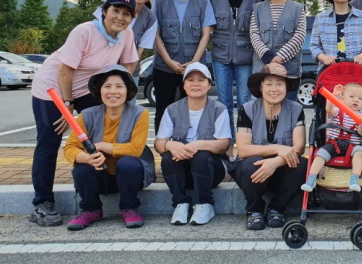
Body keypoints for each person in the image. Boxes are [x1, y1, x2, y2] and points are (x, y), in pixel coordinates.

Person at [29, 0, 139, 227]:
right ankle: (42, 203)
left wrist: (121, 87)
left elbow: (129, 63)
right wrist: (67, 106)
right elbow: (65, 71)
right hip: (54, 89)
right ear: (104, 11)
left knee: (97, 135)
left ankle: (99, 188)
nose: (120, 17)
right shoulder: (84, 31)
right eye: (115, 11)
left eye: (126, 14)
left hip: (88, 89)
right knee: (49, 141)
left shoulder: (126, 33)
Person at [63, 65, 155, 230]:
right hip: (100, 177)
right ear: (99, 90)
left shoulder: (140, 113)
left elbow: (135, 149)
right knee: (82, 167)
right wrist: (86, 157)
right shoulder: (87, 115)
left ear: (128, 90)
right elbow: (70, 148)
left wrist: (102, 146)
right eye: (107, 86)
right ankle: (91, 209)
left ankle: (130, 207)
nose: (113, 91)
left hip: (129, 177)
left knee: (128, 162)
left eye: (119, 86)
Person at [229, 63, 307, 230]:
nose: (274, 89)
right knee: (252, 163)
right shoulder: (248, 109)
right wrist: (277, 149)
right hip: (251, 172)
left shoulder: (296, 109)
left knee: (304, 165)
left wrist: (276, 162)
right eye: (269, 83)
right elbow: (243, 149)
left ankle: (276, 209)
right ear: (261, 86)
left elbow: (298, 147)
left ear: (287, 87)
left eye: (279, 84)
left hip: (281, 169)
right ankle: (254, 211)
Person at [154, 63, 230, 226]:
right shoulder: (172, 109)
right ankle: (180, 204)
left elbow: (224, 144)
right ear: (184, 85)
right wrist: (170, 146)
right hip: (182, 172)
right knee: (169, 157)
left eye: (201, 80)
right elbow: (159, 143)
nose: (196, 84)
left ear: (209, 85)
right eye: (190, 80)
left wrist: (199, 144)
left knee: (201, 156)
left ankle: (205, 204)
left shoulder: (219, 109)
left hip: (210, 171)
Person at [153, 0, 216, 129]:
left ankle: (189, 145)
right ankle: (163, 147)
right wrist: (168, 61)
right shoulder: (159, 2)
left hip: (194, 68)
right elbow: (155, 34)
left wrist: (195, 62)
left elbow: (206, 35)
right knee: (163, 108)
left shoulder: (203, 3)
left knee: (193, 108)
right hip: (164, 67)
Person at [208, 0, 263, 144]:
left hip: (246, 58)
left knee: (245, 103)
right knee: (223, 103)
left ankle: (244, 143)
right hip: (220, 57)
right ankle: (227, 143)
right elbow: (207, 28)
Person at [250, 0, 306, 101]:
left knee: (289, 111)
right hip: (262, 71)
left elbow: (299, 37)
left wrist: (278, 60)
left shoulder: (298, 9)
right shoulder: (257, 9)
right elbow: (254, 34)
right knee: (262, 112)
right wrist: (269, 58)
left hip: (289, 73)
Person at [93, 0, 158, 84]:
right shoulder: (110, 4)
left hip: (129, 72)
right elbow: (95, 35)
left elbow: (138, 51)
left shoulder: (151, 19)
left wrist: (127, 77)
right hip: (100, 69)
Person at [301, 83, 362, 193]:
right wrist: (334, 96)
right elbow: (329, 108)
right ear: (342, 99)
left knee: (360, 152)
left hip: (353, 146)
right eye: (351, 97)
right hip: (334, 144)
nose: (356, 100)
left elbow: (361, 133)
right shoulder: (337, 111)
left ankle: (354, 179)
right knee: (320, 155)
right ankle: (311, 180)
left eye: (360, 98)